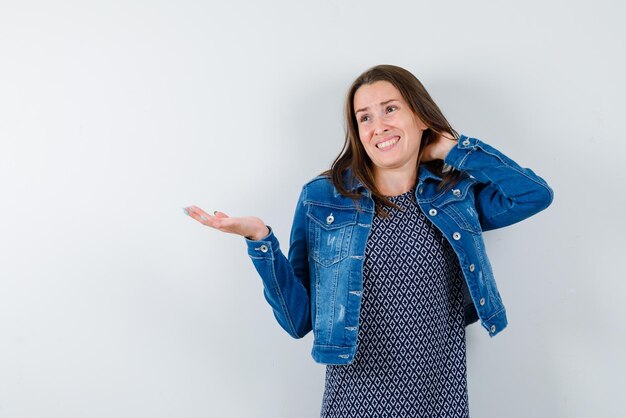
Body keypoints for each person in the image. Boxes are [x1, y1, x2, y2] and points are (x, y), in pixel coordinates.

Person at [183, 65, 553, 417]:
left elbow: (533, 195)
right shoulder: (323, 197)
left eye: (390, 109)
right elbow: (297, 320)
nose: (379, 126)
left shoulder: (453, 196)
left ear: (421, 118)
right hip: (356, 403)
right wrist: (259, 240)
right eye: (365, 117)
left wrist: (452, 149)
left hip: (441, 399)